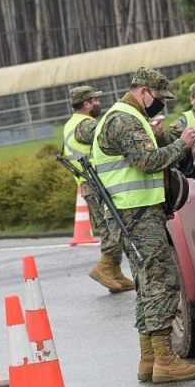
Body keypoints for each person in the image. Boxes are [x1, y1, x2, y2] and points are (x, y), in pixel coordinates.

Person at [92, 67, 195, 384]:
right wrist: (183, 143)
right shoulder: (124, 118)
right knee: (161, 279)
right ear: (144, 92)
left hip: (134, 213)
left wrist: (174, 138)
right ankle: (166, 360)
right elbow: (147, 161)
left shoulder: (127, 116)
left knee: (146, 281)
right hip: (137, 213)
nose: (162, 104)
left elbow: (148, 151)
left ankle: (149, 359)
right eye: (159, 98)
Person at [63, 85, 135, 293]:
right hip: (96, 184)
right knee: (112, 226)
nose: (98, 103)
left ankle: (113, 270)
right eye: (95, 100)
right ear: (86, 104)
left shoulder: (71, 124)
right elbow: (108, 133)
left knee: (110, 226)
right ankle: (105, 267)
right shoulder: (85, 125)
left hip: (90, 184)